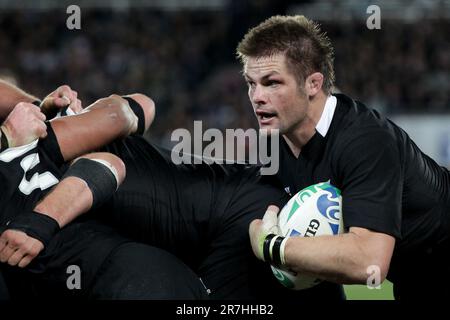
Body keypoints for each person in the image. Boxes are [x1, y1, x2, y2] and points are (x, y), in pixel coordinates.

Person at [236, 15, 450, 300]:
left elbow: (368, 261)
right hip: (416, 273)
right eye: (251, 83)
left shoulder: (367, 140)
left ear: (313, 84)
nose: (257, 96)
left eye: (272, 83)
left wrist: (272, 246)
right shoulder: (273, 144)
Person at [0, 83, 206, 300]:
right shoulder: (25, 145)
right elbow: (123, 124)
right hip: (153, 262)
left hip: (130, 276)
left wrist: (42, 220)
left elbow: (110, 154)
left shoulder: (32, 144)